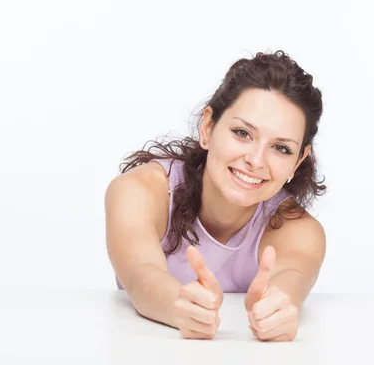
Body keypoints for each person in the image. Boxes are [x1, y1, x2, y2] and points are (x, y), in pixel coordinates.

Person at [105, 50, 327, 342]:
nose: (256, 160)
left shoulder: (300, 230)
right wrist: (181, 306)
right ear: (208, 127)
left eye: (281, 148)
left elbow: (292, 277)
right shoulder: (139, 191)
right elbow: (140, 274)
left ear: (298, 161)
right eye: (242, 133)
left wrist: (278, 306)